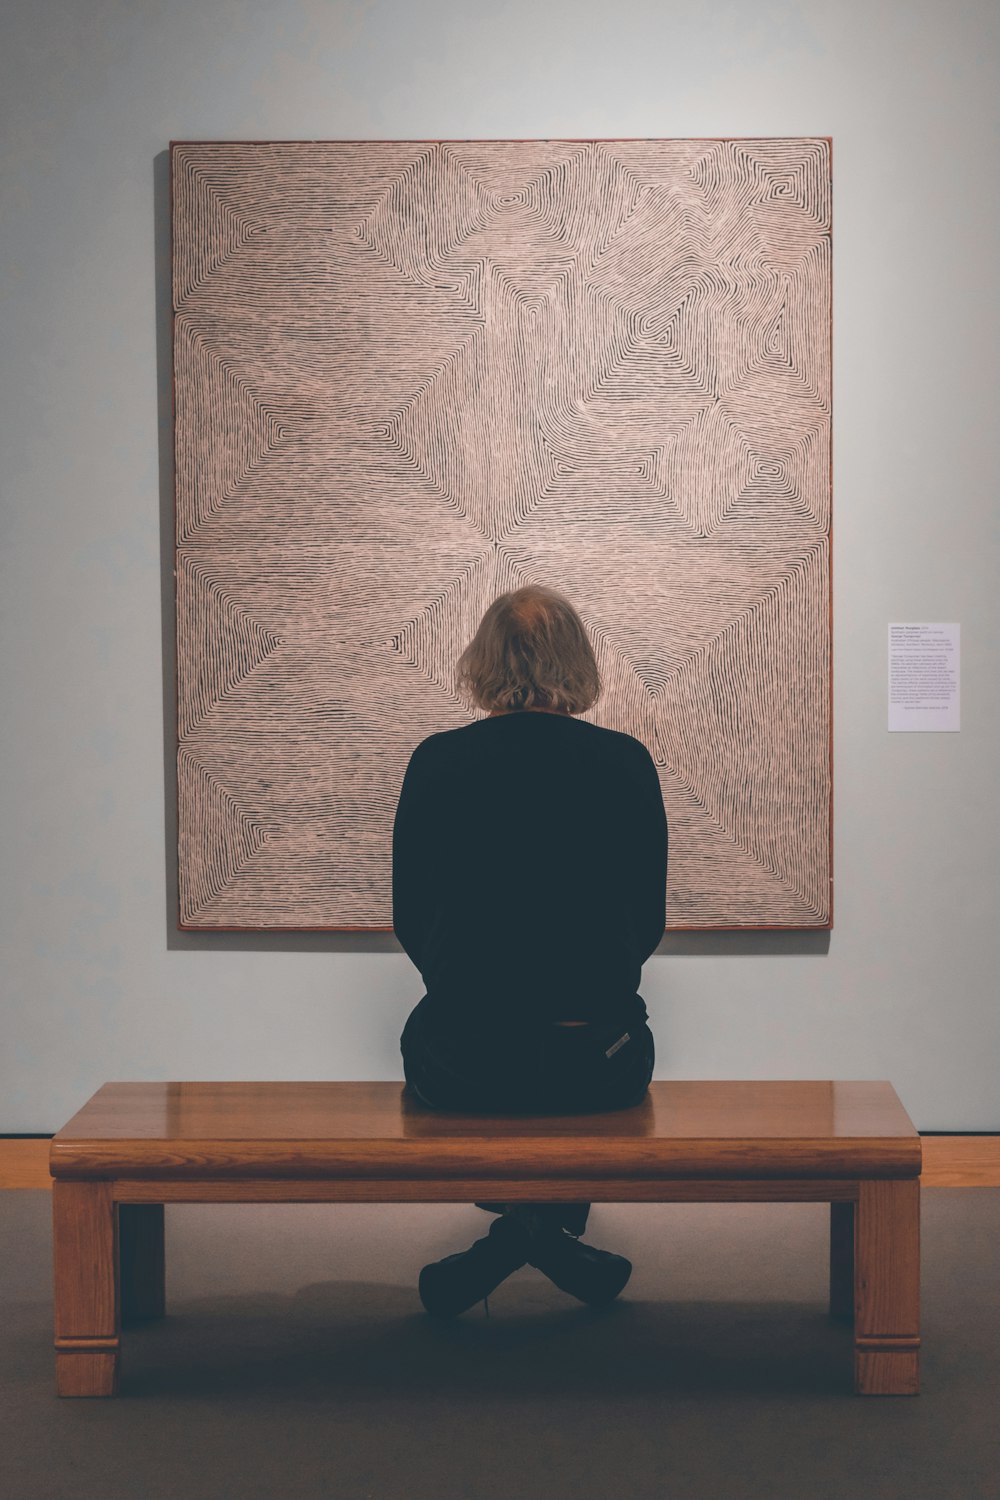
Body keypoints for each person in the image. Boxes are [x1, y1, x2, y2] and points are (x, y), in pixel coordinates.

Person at [392, 583, 668, 1317]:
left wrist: (481, 987)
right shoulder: (625, 763)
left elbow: (410, 920)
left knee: (434, 1034)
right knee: (595, 1046)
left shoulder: (437, 762)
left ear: (483, 662)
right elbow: (646, 924)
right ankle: (543, 1231)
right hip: (598, 1065)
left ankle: (518, 1234)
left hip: (464, 1066)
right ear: (576, 662)